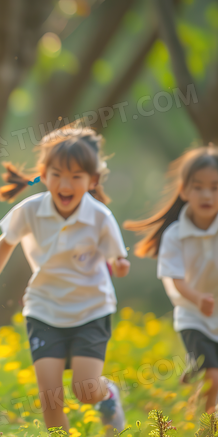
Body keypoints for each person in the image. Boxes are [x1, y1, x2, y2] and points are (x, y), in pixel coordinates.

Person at [0, 123, 130, 432]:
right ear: (43, 175)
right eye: (56, 174)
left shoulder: (100, 217)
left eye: (75, 176)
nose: (64, 184)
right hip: (44, 311)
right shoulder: (30, 210)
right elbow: (4, 245)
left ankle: (107, 394)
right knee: (50, 398)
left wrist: (121, 266)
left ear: (92, 180)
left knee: (85, 391)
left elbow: (117, 258)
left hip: (91, 311)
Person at [125, 144, 218, 413]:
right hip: (193, 315)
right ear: (184, 190)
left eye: (215, 187)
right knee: (213, 377)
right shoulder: (175, 234)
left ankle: (195, 369)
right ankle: (205, 427)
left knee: (212, 374)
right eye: (198, 187)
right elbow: (174, 278)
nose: (207, 195)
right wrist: (198, 298)